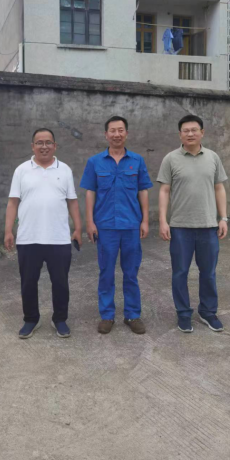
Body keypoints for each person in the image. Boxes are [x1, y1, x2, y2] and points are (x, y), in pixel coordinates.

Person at [4, 128, 82, 339]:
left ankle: (60, 319)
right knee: (28, 282)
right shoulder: (22, 170)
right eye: (39, 143)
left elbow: (72, 202)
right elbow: (13, 202)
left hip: (59, 238)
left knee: (60, 282)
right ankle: (31, 319)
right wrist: (8, 230)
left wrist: (78, 228)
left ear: (55, 146)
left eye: (48, 142)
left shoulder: (64, 170)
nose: (44, 146)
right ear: (33, 146)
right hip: (29, 238)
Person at [80, 116, 153, 335]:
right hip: (105, 226)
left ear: (126, 133)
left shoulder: (137, 161)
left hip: (131, 225)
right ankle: (107, 315)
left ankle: (132, 315)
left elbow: (143, 191)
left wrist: (145, 220)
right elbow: (90, 192)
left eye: (121, 130)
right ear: (106, 135)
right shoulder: (95, 162)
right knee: (106, 272)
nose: (117, 134)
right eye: (112, 130)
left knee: (131, 272)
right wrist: (90, 222)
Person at [157, 115, 228, 333]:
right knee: (180, 272)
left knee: (208, 272)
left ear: (202, 132)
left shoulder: (213, 157)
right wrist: (163, 220)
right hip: (180, 227)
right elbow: (164, 190)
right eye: (185, 130)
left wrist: (223, 218)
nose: (190, 134)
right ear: (180, 134)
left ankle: (208, 312)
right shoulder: (171, 159)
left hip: (208, 226)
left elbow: (219, 188)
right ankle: (183, 313)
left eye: (194, 130)